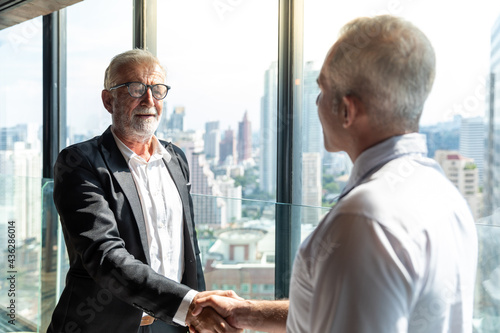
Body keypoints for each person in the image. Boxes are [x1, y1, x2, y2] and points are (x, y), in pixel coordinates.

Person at [191, 15, 478, 333]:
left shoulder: (365, 220)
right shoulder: (444, 195)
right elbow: (357, 305)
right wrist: (247, 312)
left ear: (346, 110)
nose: (316, 103)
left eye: (322, 90)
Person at [47, 49, 241, 333]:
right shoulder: (79, 162)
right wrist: (189, 305)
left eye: (157, 89)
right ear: (108, 99)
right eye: (135, 88)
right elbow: (104, 255)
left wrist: (199, 311)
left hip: (173, 324)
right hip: (102, 325)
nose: (149, 100)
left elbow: (189, 246)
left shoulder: (176, 159)